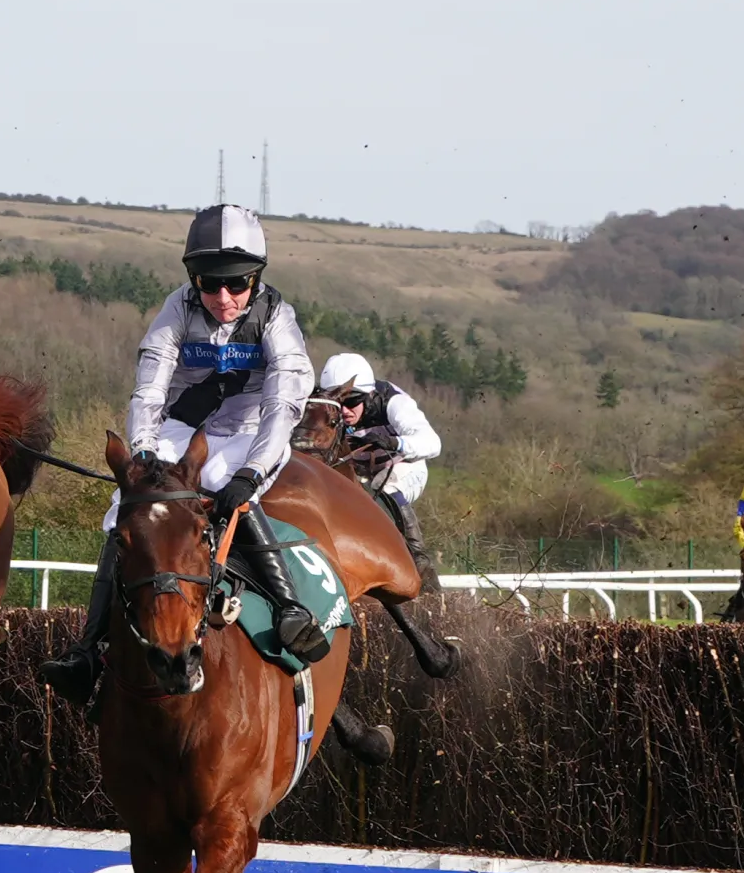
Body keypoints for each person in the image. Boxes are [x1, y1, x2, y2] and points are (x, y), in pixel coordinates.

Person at [39, 203, 323, 705]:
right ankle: (87, 650)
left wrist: (252, 472)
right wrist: (144, 453)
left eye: (237, 285)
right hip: (183, 425)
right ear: (193, 279)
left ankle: (290, 609)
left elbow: (282, 404)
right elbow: (149, 390)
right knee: (122, 510)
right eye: (210, 284)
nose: (223, 297)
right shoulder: (177, 308)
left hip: (252, 430)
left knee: (217, 477)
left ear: (256, 279)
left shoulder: (277, 317)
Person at [316, 351, 442, 585]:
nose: (344, 410)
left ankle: (420, 562)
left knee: (385, 488)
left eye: (353, 401)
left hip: (404, 467)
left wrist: (396, 443)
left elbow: (433, 443)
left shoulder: (393, 402)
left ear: (369, 394)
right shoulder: (324, 407)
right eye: (339, 402)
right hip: (359, 473)